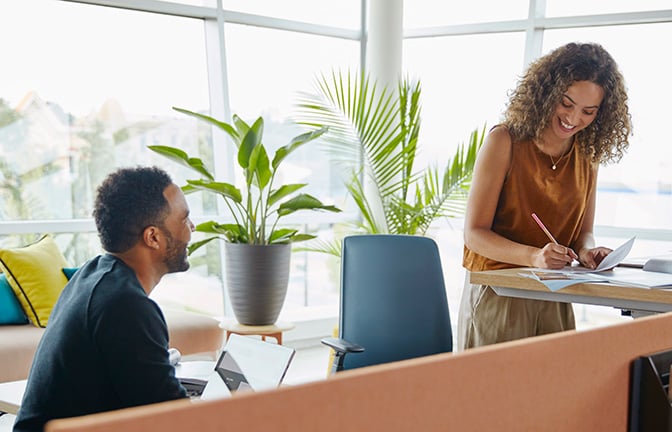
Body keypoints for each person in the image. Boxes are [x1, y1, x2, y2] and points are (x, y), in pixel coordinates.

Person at [458, 42, 632, 350]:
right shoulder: (504, 141)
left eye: (588, 111)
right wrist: (534, 256)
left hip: (555, 295)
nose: (574, 118)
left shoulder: (587, 155)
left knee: (555, 394)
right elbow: (474, 235)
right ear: (547, 92)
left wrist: (587, 252)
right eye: (566, 103)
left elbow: (583, 233)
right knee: (497, 396)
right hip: (500, 294)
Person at [14, 167, 195, 431]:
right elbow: (177, 422)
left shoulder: (93, 275)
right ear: (153, 237)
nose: (192, 228)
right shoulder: (126, 306)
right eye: (184, 220)